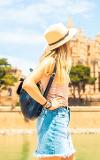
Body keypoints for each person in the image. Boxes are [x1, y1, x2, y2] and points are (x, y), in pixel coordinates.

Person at [22, 23, 78, 160]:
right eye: (69, 41)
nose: (72, 43)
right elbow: (27, 83)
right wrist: (47, 104)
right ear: (63, 44)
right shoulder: (50, 62)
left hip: (61, 116)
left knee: (69, 156)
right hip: (52, 117)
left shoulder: (59, 63)